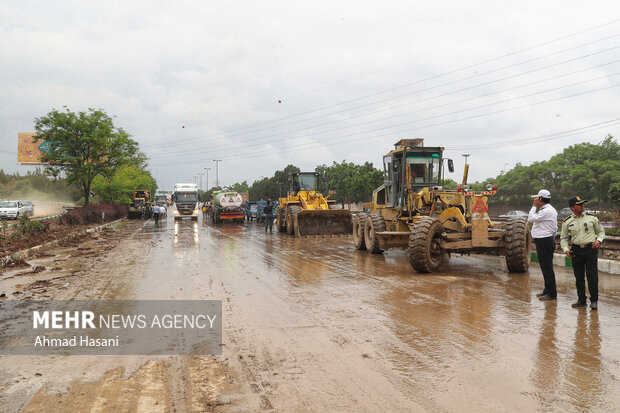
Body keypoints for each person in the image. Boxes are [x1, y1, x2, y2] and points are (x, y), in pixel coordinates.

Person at [560, 196, 605, 310]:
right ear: (572, 207)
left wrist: (598, 241)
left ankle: (594, 301)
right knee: (579, 277)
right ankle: (581, 300)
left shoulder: (592, 218)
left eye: (583, 204)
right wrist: (566, 249)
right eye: (579, 204)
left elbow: (601, 232)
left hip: (591, 249)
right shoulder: (567, 221)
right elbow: (564, 238)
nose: (582, 206)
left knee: (592, 276)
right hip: (576, 250)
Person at [527, 189, 558, 301]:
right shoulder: (548, 210)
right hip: (545, 240)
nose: (535, 200)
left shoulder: (546, 211)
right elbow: (555, 228)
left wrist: (534, 206)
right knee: (545, 267)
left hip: (544, 240)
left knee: (547, 268)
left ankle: (552, 293)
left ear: (540, 199)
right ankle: (547, 290)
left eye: (537, 198)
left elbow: (530, 219)